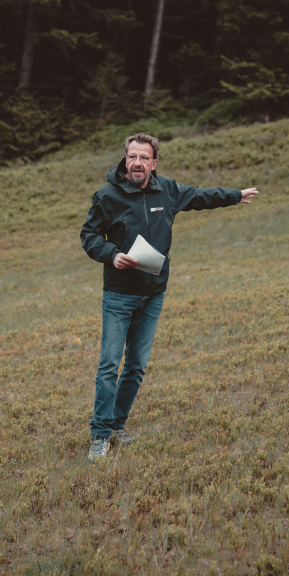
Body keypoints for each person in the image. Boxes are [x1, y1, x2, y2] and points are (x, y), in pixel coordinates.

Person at [80, 132, 258, 461]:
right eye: (132, 156)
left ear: (154, 163)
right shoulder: (107, 196)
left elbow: (201, 196)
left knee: (136, 367)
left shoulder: (168, 190)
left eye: (143, 158)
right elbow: (89, 235)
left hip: (153, 295)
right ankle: (100, 435)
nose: (137, 162)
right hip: (119, 295)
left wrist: (234, 196)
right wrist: (111, 254)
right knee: (109, 367)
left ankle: (117, 426)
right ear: (125, 159)